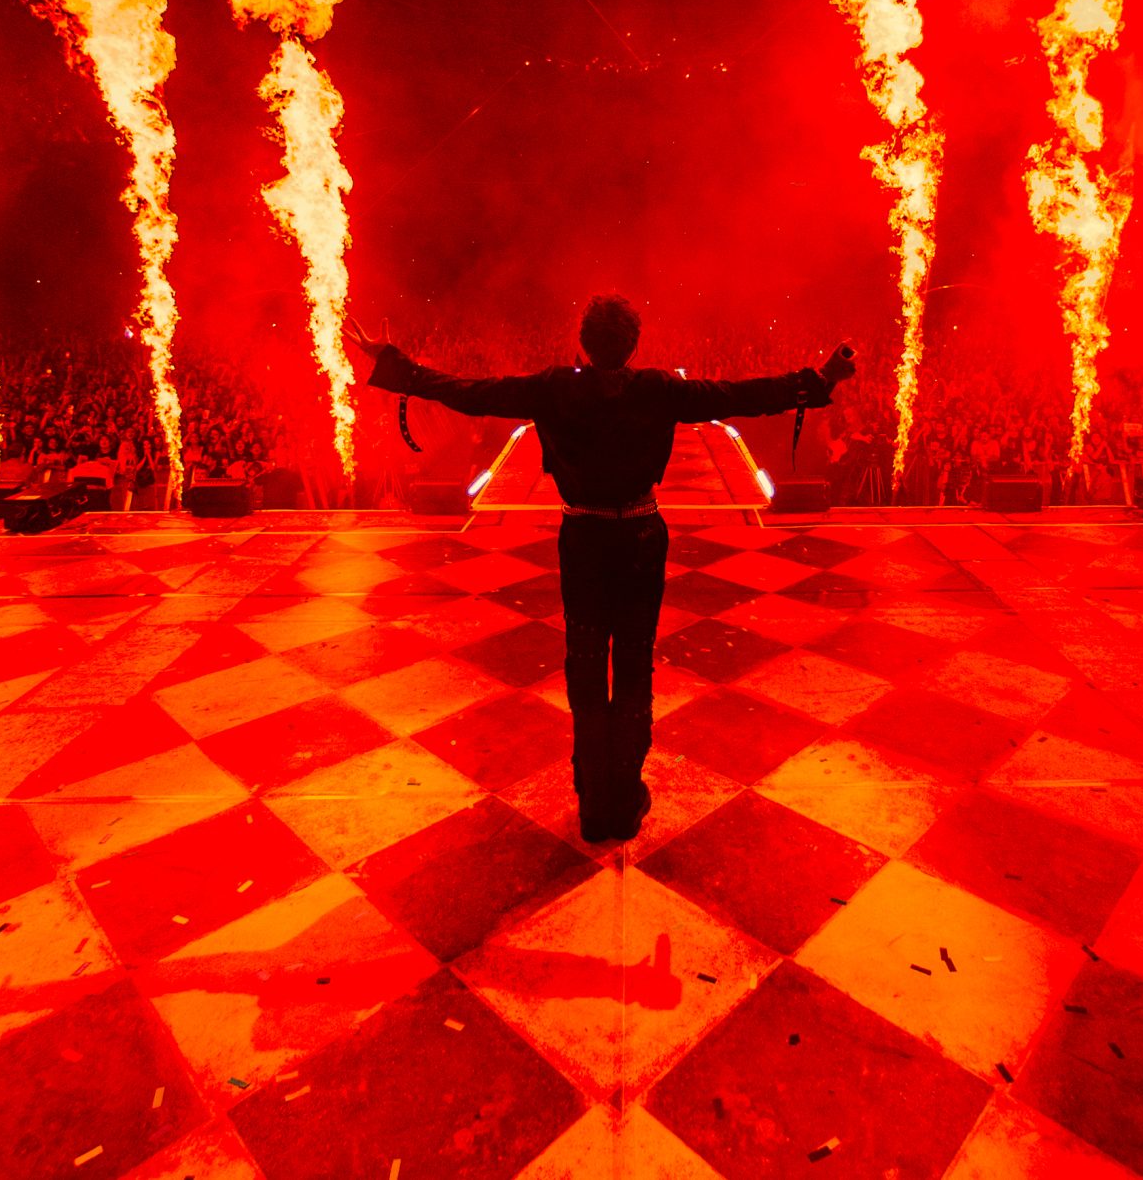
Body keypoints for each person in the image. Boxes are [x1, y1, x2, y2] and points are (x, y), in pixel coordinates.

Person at [346, 296, 853, 843]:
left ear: (582, 343)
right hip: (640, 538)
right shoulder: (658, 388)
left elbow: (471, 392)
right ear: (634, 345)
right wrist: (820, 379)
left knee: (586, 667)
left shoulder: (553, 387)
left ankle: (593, 804)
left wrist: (393, 364)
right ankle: (624, 800)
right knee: (633, 667)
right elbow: (742, 396)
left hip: (583, 539)